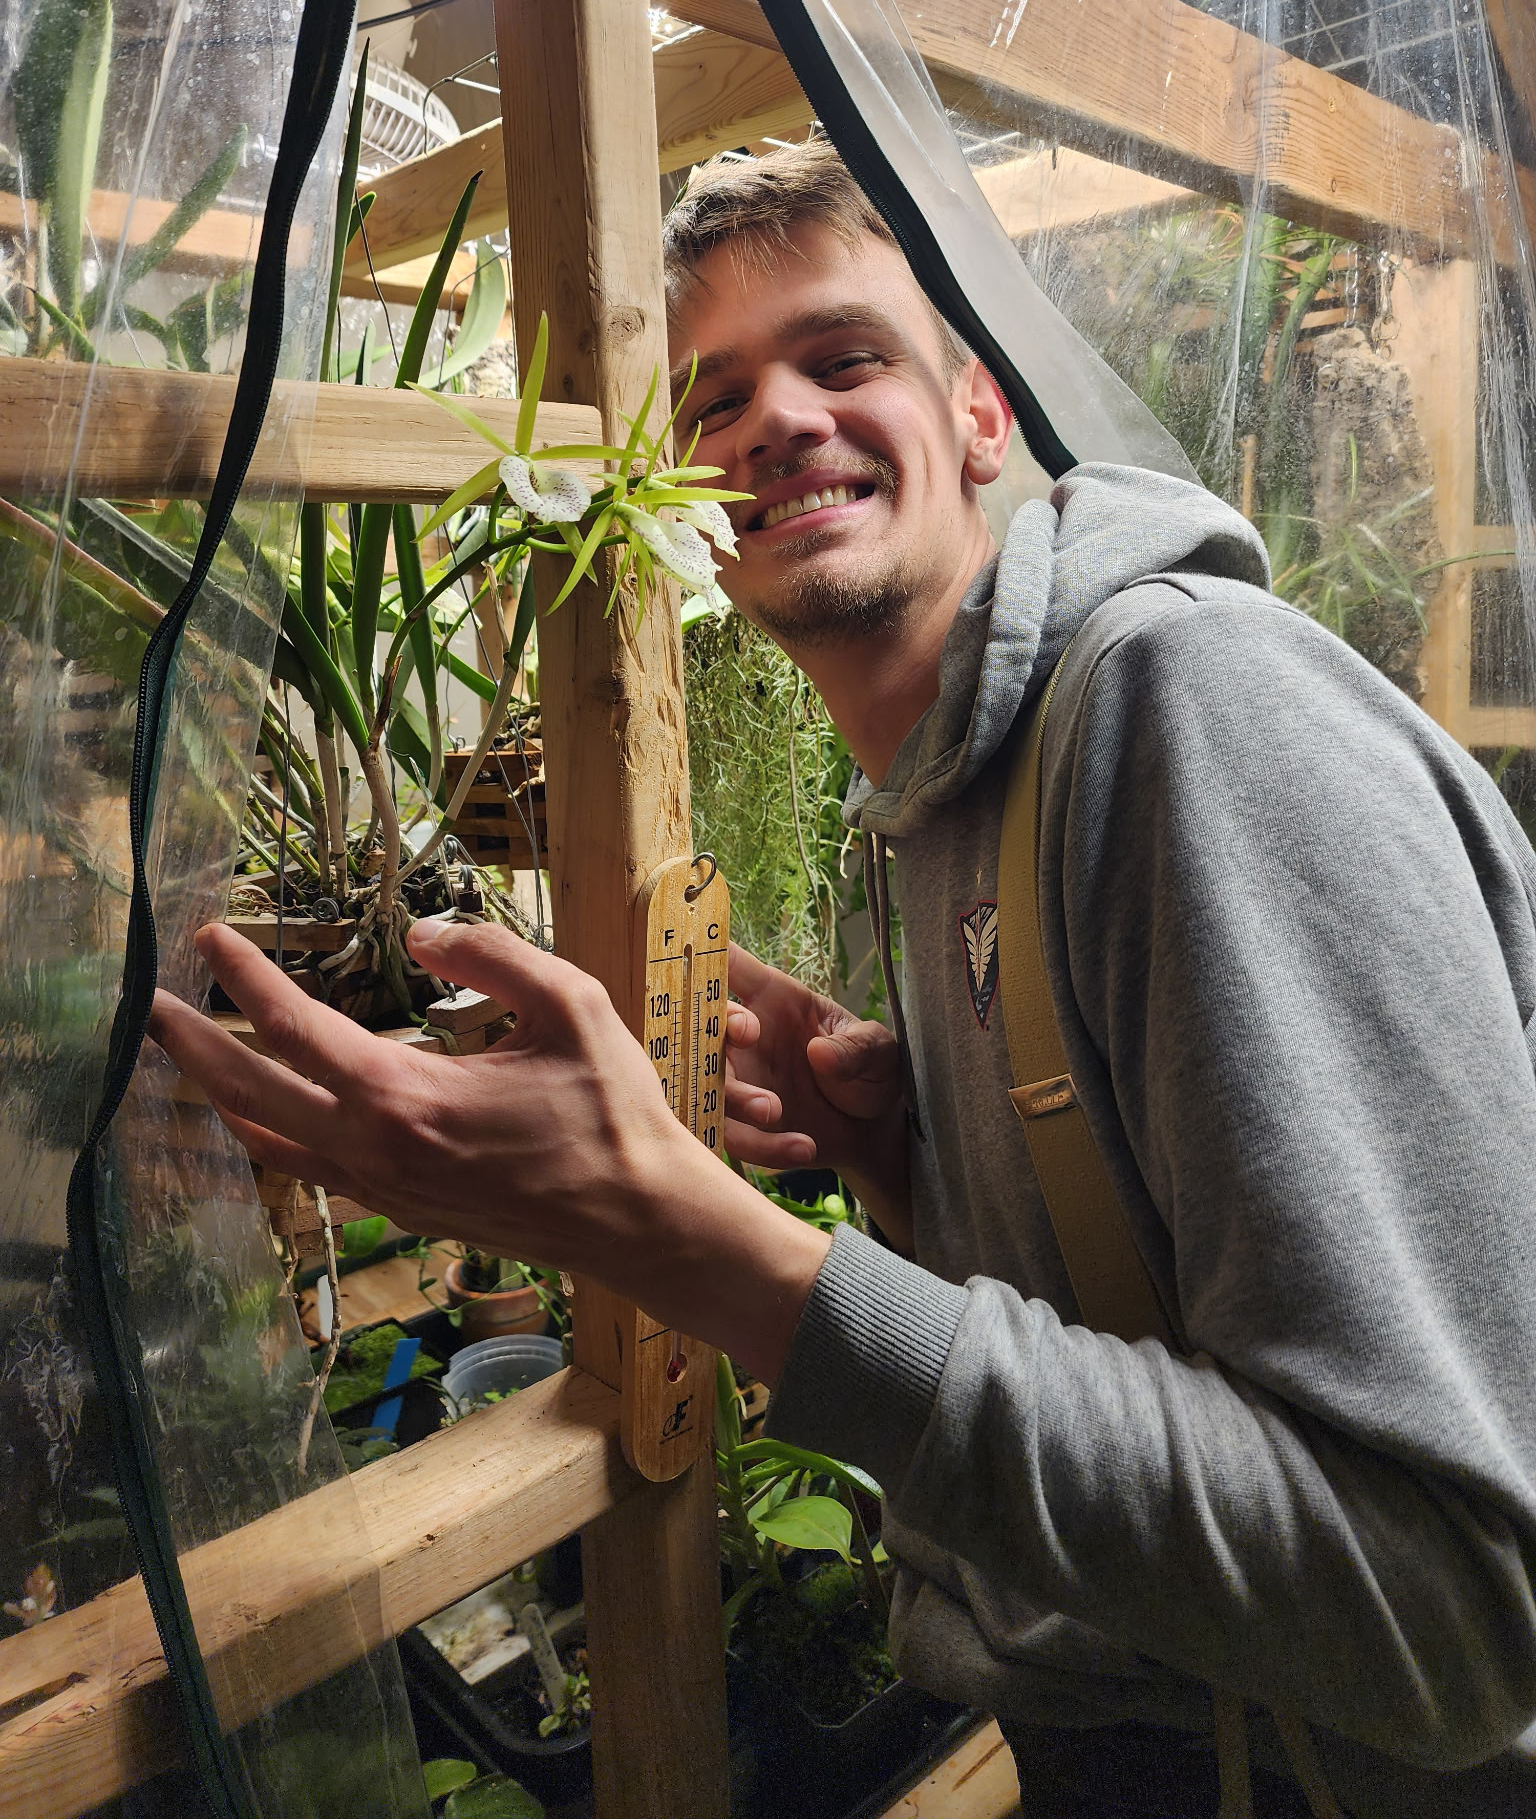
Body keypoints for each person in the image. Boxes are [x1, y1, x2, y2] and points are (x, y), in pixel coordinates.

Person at [151, 143, 1536, 1818]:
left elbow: (1458, 1615)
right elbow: (1150, 1337)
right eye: (711, 400)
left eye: (844, 357)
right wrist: (906, 1173)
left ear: (979, 415)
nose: (776, 422)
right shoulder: (929, 817)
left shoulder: (1190, 714)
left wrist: (690, 1240)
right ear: (673, 506)